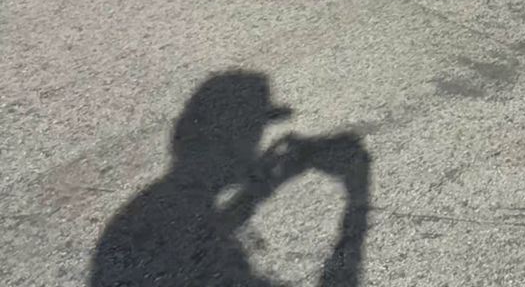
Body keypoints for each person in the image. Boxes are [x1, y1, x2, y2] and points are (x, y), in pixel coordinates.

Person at [90, 71, 370, 287]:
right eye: (255, 132)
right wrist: (358, 191)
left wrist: (266, 185)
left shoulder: (160, 205)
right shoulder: (180, 219)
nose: (260, 143)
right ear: (230, 142)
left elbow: (208, 230)